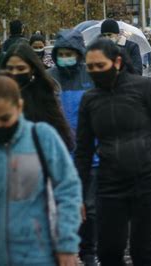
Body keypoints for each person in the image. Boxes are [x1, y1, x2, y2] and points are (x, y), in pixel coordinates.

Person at [75, 39, 151, 266]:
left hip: (149, 178)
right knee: (109, 251)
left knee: (142, 252)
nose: (94, 72)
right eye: (89, 67)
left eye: (100, 66)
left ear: (117, 62)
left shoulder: (144, 88)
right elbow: (83, 151)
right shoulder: (89, 100)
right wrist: (79, 194)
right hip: (110, 182)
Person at [0, 75, 82, 266]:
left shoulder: (41, 137)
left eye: (5, 118)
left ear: (19, 107)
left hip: (38, 254)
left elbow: (68, 190)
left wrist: (67, 244)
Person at [47, 29, 98, 266]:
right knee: (64, 206)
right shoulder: (50, 78)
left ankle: (87, 252)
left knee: (90, 207)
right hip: (60, 155)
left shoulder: (91, 76)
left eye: (70, 53)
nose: (65, 57)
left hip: (91, 156)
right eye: (62, 53)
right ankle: (69, 249)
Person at [1, 43, 73, 150]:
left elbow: (61, 137)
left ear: (32, 70)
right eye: (10, 68)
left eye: (20, 69)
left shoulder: (44, 94)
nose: (14, 73)